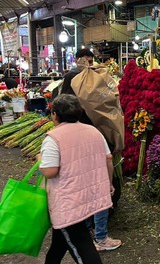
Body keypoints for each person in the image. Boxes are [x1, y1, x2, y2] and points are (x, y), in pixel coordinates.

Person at [37, 94, 113, 263]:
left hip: (68, 202)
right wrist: (108, 184)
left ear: (55, 115)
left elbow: (50, 172)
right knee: (61, 240)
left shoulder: (53, 138)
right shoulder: (94, 131)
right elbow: (108, 159)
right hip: (90, 195)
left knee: (82, 245)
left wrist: (39, 160)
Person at [59, 48, 122, 251]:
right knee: (98, 189)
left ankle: (88, 232)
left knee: (87, 188)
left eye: (90, 59)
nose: (88, 62)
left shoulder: (89, 76)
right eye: (86, 59)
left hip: (86, 138)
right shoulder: (75, 78)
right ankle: (99, 236)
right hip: (92, 138)